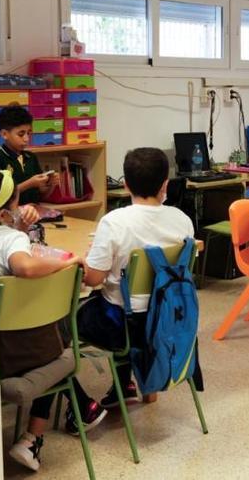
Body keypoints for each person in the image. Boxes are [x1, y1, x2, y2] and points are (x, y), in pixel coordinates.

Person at [0, 159, 102, 473]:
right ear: (2, 214)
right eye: (17, 202)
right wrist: (68, 262)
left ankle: (78, 411)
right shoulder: (10, 239)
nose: (21, 205)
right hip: (1, 355)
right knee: (62, 336)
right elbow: (24, 268)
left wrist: (17, 231)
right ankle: (33, 437)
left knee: (46, 323)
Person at [78, 147, 195, 405]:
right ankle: (125, 386)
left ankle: (84, 402)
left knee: (70, 320)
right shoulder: (183, 220)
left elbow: (93, 280)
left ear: (126, 184)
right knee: (120, 299)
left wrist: (89, 260)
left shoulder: (113, 222)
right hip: (168, 319)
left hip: (124, 327)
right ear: (165, 184)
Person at [0, 105, 59, 205]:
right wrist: (29, 183)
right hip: (11, 215)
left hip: (34, 213)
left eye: (28, 133)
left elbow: (41, 196)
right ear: (4, 134)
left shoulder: (31, 157)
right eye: (21, 134)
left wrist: (51, 184)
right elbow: (1, 196)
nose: (26, 139)